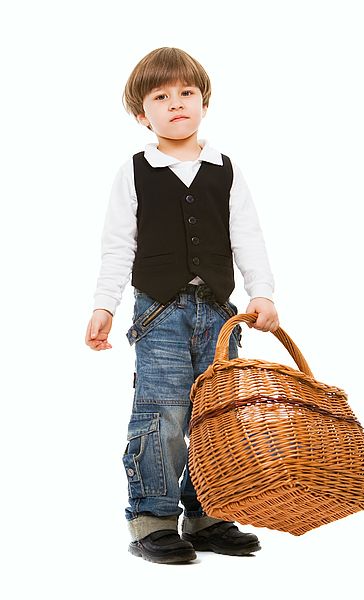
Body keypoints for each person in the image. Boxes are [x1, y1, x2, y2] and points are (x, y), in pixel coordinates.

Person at [85, 47, 279, 564]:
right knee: (163, 413)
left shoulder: (224, 170)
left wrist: (262, 291)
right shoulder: (136, 172)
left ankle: (210, 513)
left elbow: (248, 237)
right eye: (161, 96)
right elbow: (117, 244)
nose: (176, 104)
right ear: (140, 113)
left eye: (187, 93)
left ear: (204, 101)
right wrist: (105, 305)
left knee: (219, 416)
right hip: (159, 314)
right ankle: (151, 518)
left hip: (219, 316)